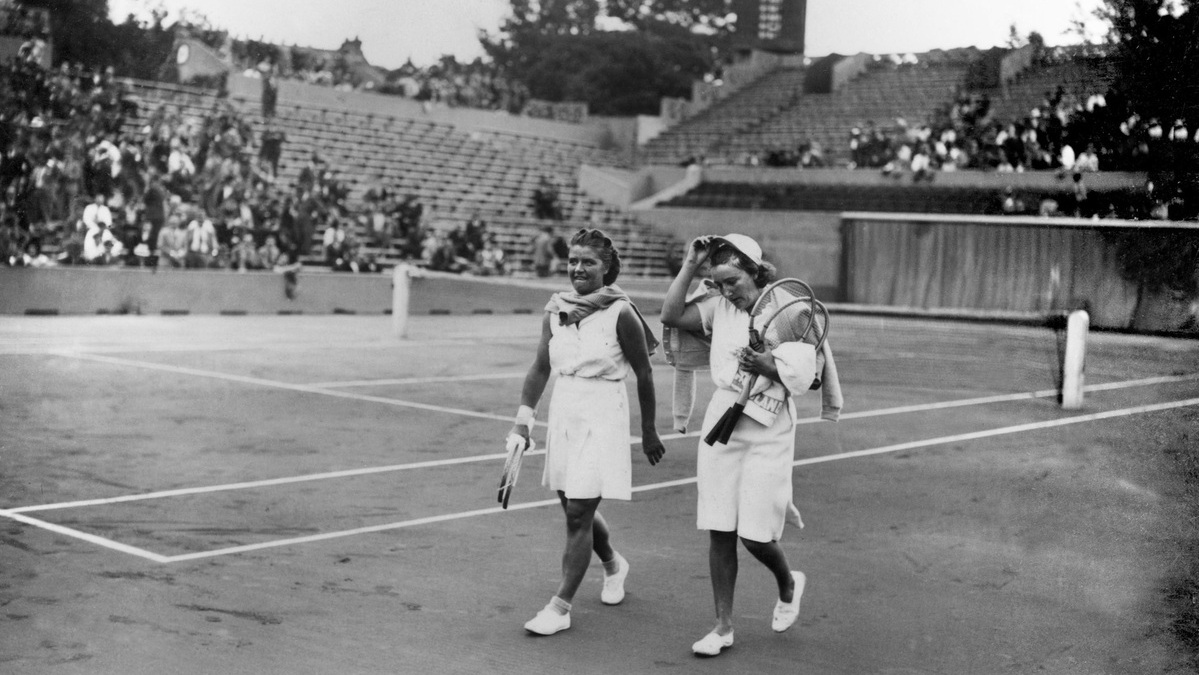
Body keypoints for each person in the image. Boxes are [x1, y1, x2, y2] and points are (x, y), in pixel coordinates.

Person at [661, 234, 816, 657]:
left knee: (755, 536)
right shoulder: (717, 308)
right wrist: (691, 265)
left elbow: (812, 374)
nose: (727, 290)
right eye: (719, 282)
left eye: (733, 280)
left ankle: (788, 583)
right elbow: (671, 315)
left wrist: (772, 365)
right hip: (724, 418)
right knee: (720, 528)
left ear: (754, 271)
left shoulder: (787, 308)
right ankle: (723, 626)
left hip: (770, 425)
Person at [512, 228, 667, 636]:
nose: (578, 269)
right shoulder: (555, 309)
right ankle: (614, 563)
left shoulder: (622, 312)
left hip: (604, 411)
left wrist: (648, 430)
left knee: (579, 512)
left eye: (588, 262)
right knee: (572, 506)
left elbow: (645, 373)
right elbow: (541, 367)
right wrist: (523, 419)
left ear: (606, 268)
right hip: (566, 409)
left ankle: (559, 607)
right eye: (573, 261)